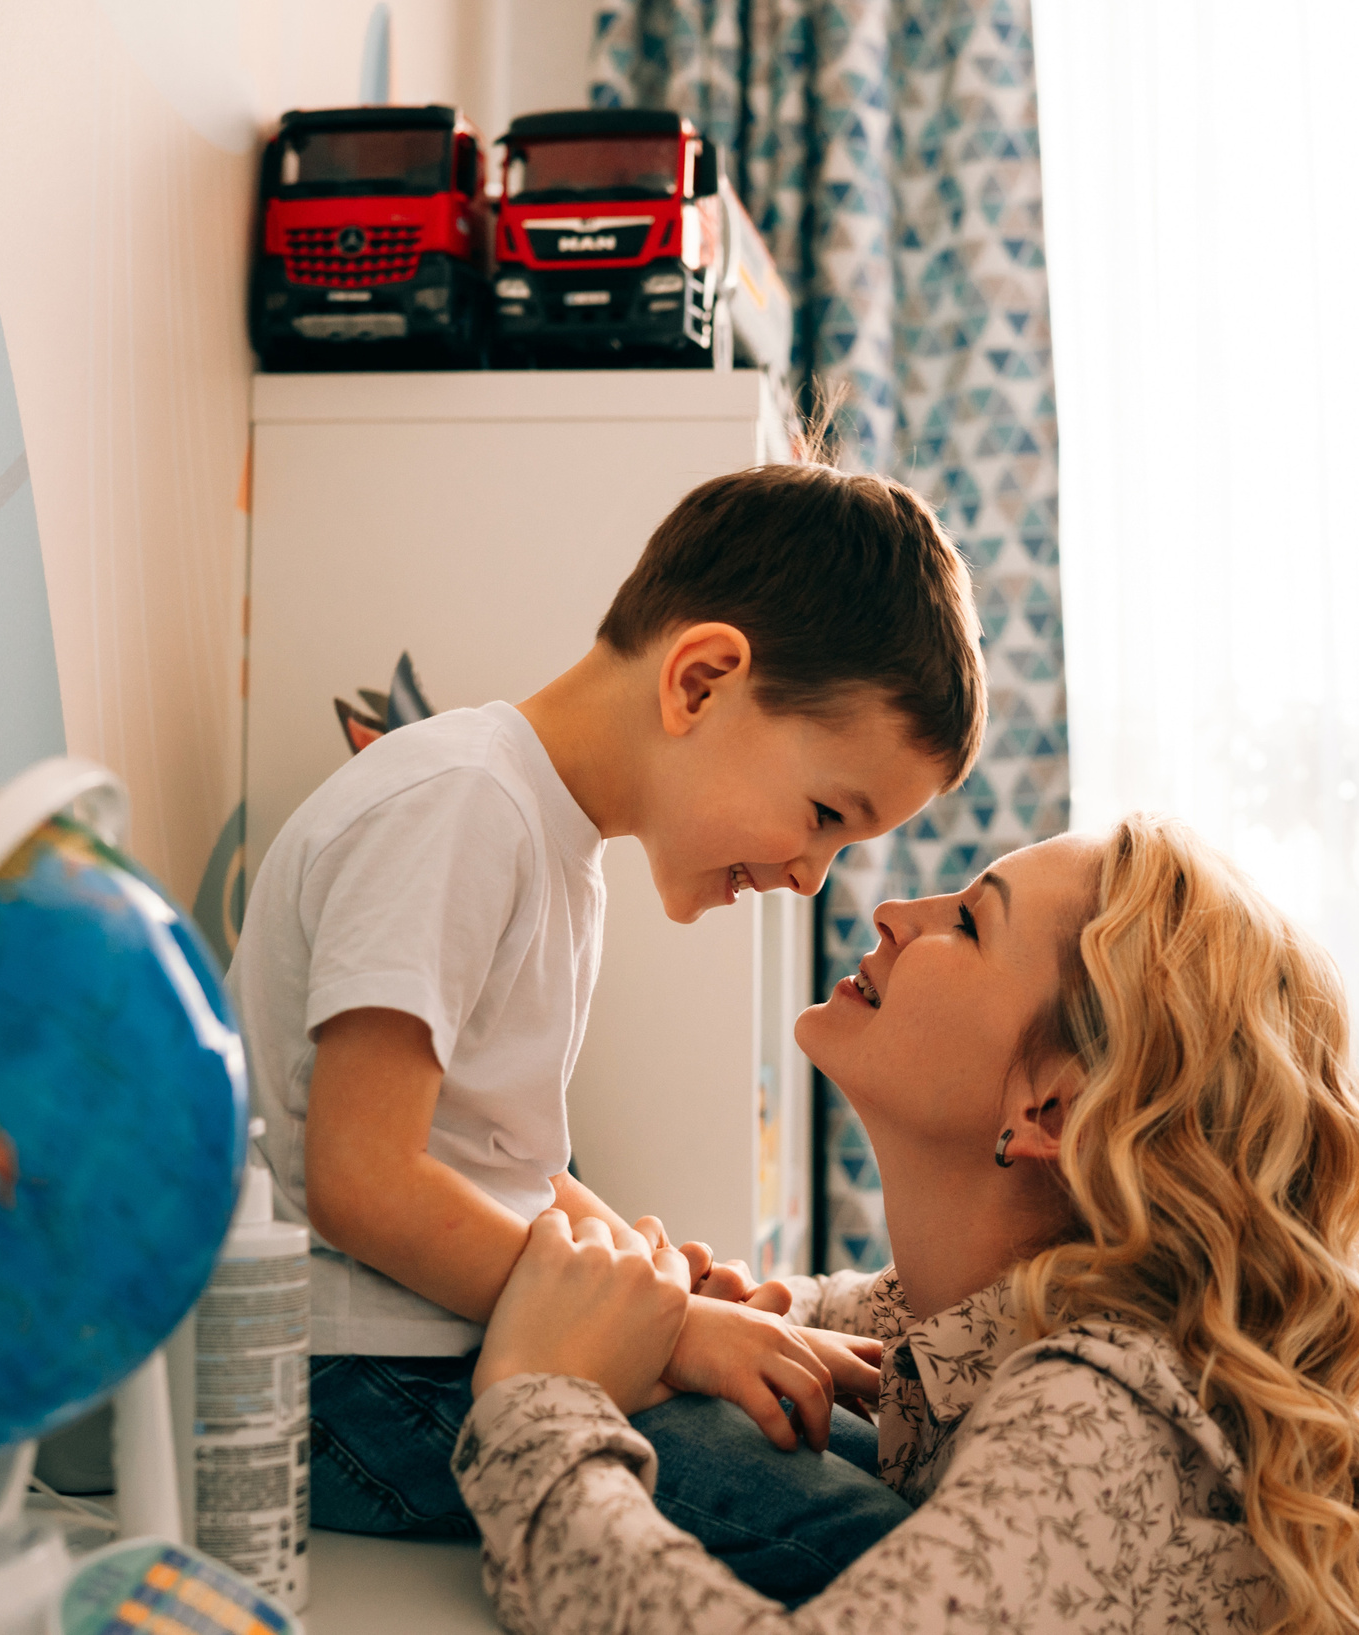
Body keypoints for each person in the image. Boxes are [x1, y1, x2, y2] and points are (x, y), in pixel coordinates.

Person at [226, 463, 986, 1604]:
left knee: (864, 1453)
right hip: (359, 1377)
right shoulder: (460, 806)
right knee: (882, 1552)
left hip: (432, 1353)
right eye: (825, 816)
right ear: (701, 680)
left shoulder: (544, 834)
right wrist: (673, 1333)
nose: (805, 876)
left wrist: (682, 1302)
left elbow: (504, 1161)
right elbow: (356, 1176)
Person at [452, 815, 1359, 1635]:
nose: (893, 911)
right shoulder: (975, 1321)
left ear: (1051, 1111)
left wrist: (541, 1403)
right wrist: (697, 1317)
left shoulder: (1105, 1425)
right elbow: (820, 1314)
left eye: (971, 925)